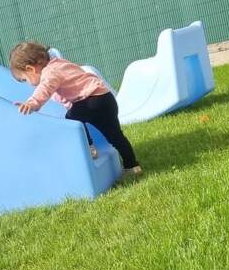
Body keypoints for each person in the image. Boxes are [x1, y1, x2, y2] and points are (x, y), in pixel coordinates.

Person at [9, 41, 142, 177]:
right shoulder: (59, 64)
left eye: (25, 79)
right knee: (115, 136)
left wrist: (32, 103)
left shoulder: (50, 73)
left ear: (31, 69)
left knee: (71, 120)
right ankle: (132, 166)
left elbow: (45, 88)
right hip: (105, 98)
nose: (28, 84)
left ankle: (89, 147)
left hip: (91, 101)